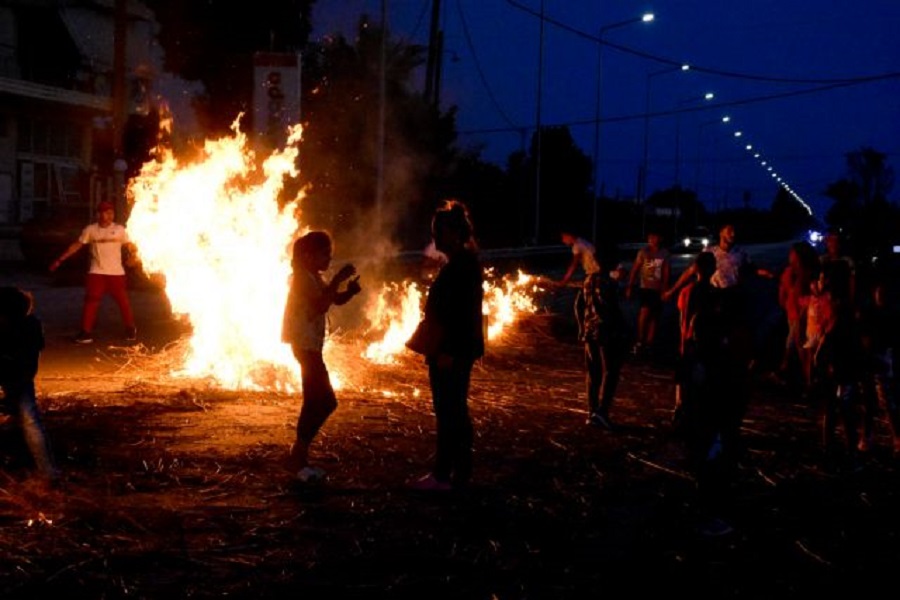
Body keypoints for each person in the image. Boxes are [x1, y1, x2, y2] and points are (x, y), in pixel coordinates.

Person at [407, 199, 484, 492]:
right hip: (452, 349)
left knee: (449, 411)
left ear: (453, 232)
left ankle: (443, 476)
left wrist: (449, 350)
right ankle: (458, 473)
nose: (435, 238)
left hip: (451, 351)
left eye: (438, 231)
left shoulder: (462, 267)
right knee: (454, 411)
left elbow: (461, 314)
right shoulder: (461, 264)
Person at [282, 230, 362, 483]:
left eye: (330, 254)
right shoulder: (301, 279)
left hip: (310, 347)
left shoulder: (312, 277)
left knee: (317, 400)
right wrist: (338, 278)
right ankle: (298, 454)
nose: (328, 258)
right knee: (323, 401)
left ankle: (299, 454)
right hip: (305, 347)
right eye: (324, 253)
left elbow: (331, 299)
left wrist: (348, 291)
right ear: (308, 255)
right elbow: (319, 304)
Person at [49, 200, 139, 344]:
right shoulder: (90, 230)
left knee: (123, 302)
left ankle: (130, 329)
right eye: (105, 213)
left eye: (111, 213)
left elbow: (131, 246)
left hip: (116, 273)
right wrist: (60, 259)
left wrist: (134, 258)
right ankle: (85, 333)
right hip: (96, 272)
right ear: (99, 214)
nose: (109, 216)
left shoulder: (120, 230)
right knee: (91, 301)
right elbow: (77, 245)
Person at [0, 286, 60, 485]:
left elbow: (19, 365)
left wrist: (9, 399)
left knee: (29, 420)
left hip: (17, 375)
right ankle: (48, 472)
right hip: (22, 375)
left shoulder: (15, 330)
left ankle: (48, 472)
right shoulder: (32, 325)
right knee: (30, 420)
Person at [580, 248, 628, 431]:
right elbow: (612, 310)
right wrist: (624, 329)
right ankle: (602, 412)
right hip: (605, 332)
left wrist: (582, 328)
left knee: (593, 372)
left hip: (589, 331)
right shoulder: (608, 283)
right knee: (611, 370)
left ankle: (591, 412)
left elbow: (580, 306)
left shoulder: (588, 280)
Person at [856, 276, 900, 456]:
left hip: (882, 359)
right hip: (871, 360)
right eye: (879, 292)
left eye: (884, 293)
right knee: (870, 401)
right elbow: (863, 337)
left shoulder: (890, 315)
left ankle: (895, 437)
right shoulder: (869, 313)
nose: (880, 295)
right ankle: (868, 437)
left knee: (888, 401)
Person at [626, 230, 670, 358]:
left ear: (660, 238)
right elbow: (635, 269)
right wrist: (629, 286)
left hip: (658, 289)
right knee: (644, 312)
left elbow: (666, 272)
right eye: (649, 237)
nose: (651, 239)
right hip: (645, 288)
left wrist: (665, 289)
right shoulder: (643, 252)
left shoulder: (664, 253)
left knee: (654, 316)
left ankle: (650, 343)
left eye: (654, 236)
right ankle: (640, 340)